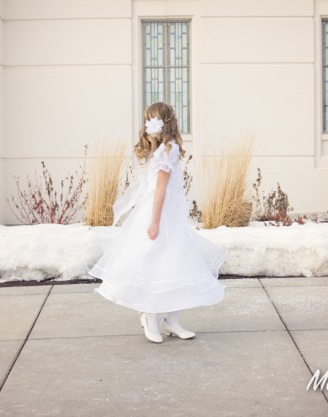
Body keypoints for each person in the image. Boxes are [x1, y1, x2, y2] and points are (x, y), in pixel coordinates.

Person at [89, 102, 226, 343]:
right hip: (159, 214)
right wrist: (155, 223)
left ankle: (171, 318)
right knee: (156, 259)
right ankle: (150, 315)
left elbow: (163, 187)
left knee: (175, 261)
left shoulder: (168, 149)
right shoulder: (166, 150)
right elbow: (160, 188)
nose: (148, 128)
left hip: (169, 214)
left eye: (151, 122)